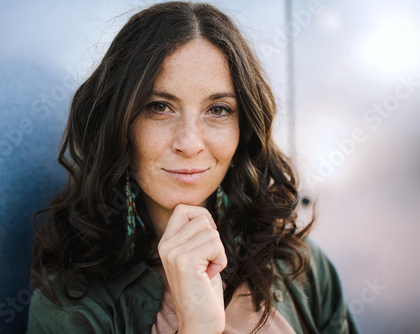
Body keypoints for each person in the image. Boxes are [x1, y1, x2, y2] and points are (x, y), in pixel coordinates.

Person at [27, 2, 359, 333]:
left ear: (243, 128)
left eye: (218, 109)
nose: (190, 142)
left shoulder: (299, 264)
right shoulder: (70, 305)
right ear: (119, 123)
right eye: (159, 107)